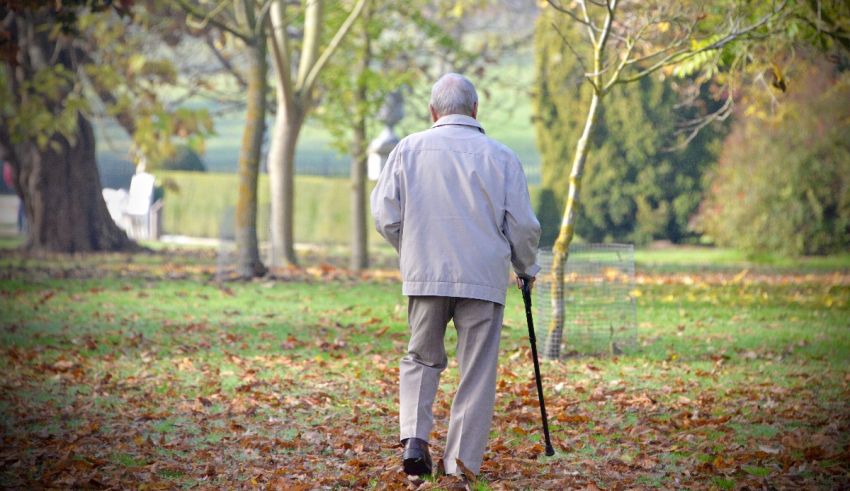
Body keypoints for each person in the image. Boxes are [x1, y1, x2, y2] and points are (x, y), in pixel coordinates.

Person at [370, 73, 541, 478]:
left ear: (433, 111)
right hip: (483, 278)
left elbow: (385, 215)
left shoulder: (407, 149)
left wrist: (411, 248)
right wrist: (525, 267)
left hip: (425, 272)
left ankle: (414, 440)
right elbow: (523, 226)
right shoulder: (501, 157)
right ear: (475, 110)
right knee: (476, 370)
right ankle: (460, 465)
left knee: (421, 358)